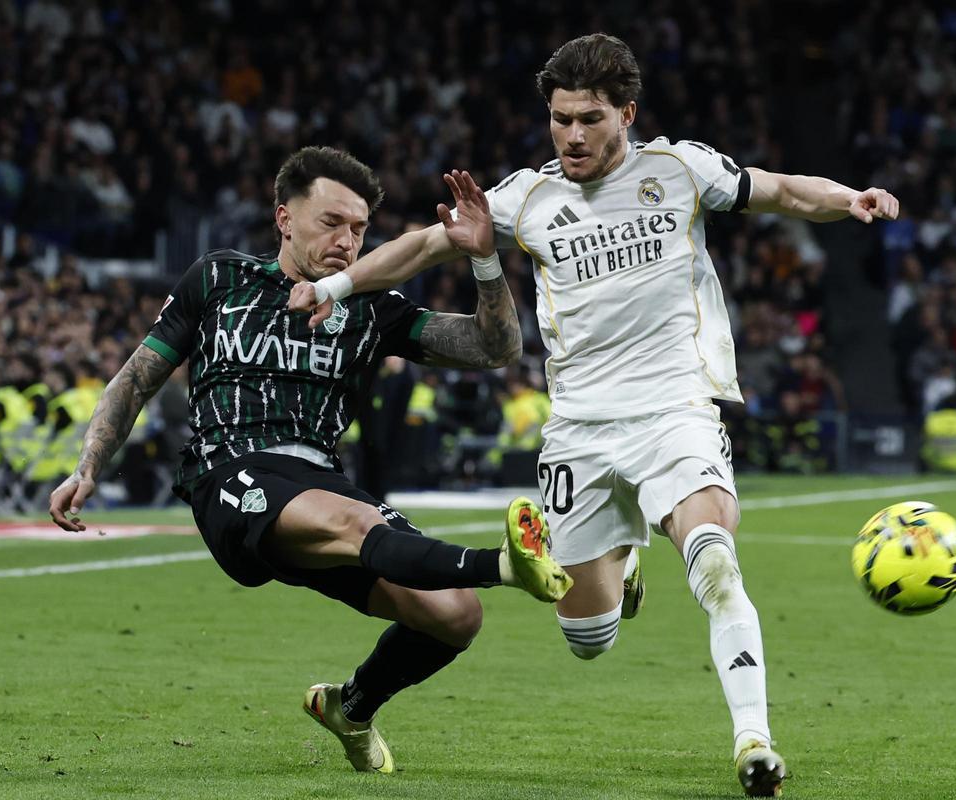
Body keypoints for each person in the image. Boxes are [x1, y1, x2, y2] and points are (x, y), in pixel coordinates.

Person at [290, 34, 900, 797]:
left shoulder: (679, 170)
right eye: (560, 119)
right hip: (579, 430)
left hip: (674, 408)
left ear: (627, 115)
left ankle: (755, 742)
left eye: (589, 119)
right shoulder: (526, 197)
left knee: (714, 561)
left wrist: (848, 198)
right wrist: (333, 287)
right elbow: (417, 248)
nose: (572, 135)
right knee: (587, 637)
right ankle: (624, 559)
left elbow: (779, 190)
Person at [48, 146, 572, 774]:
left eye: (359, 228)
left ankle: (350, 707)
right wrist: (88, 466)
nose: (346, 242)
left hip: (319, 480)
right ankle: (506, 565)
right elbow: (136, 379)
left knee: (455, 615)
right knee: (356, 523)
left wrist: (484, 260)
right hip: (231, 470)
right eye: (331, 222)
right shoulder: (219, 278)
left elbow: (495, 349)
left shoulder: (371, 305)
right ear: (284, 219)